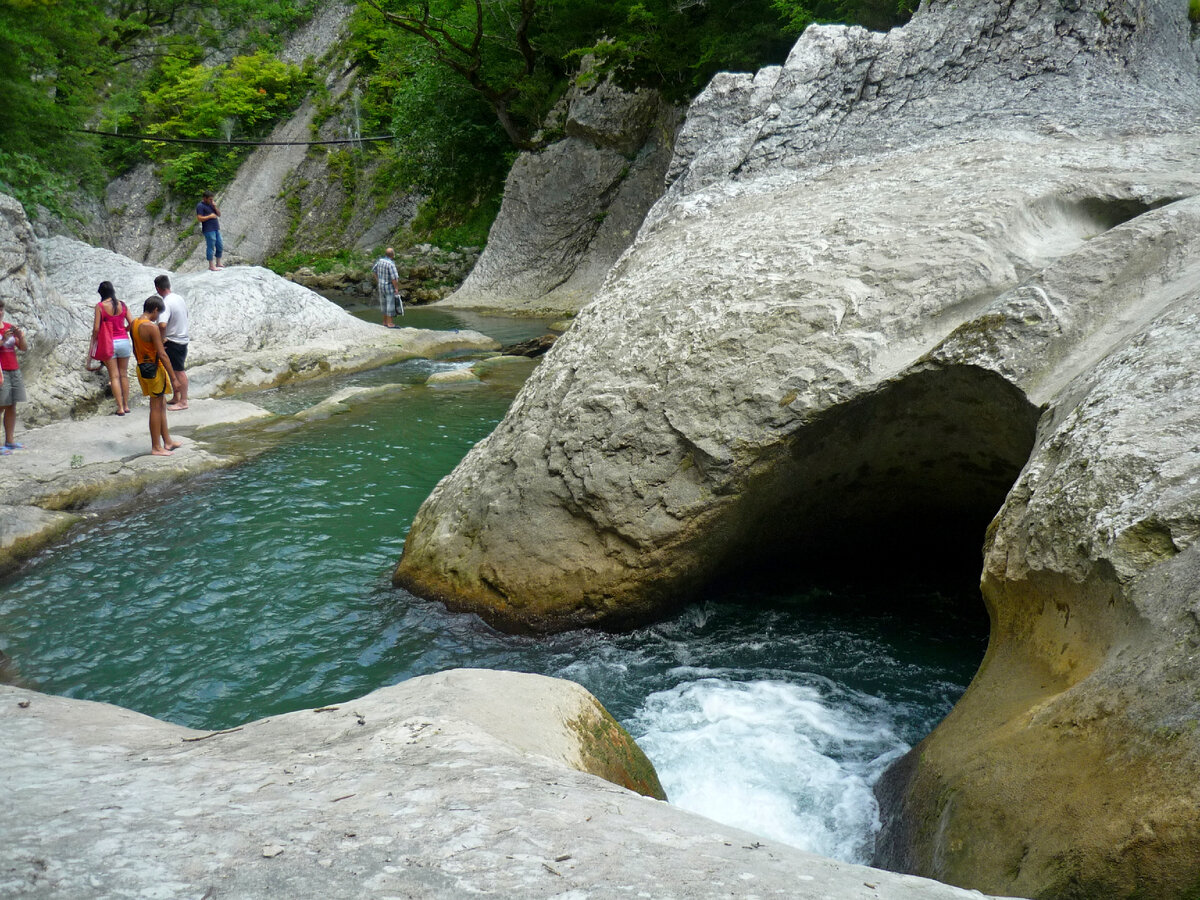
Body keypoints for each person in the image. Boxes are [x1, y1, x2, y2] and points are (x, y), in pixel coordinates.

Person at [131, 296, 182, 457]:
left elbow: (135, 348)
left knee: (161, 404)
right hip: (154, 369)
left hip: (142, 367)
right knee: (155, 407)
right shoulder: (150, 327)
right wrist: (174, 378)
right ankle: (156, 447)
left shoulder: (134, 324)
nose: (157, 317)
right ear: (154, 310)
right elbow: (162, 354)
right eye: (157, 314)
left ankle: (167, 441)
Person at [92, 281, 134, 416]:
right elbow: (133, 323)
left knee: (114, 376)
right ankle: (127, 405)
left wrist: (94, 339)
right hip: (124, 342)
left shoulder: (100, 307)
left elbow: (97, 328)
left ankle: (120, 407)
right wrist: (124, 330)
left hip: (109, 343)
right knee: (124, 374)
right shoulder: (122, 305)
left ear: (101, 293)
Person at [154, 274, 190, 410]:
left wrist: (161, 339)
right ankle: (177, 396)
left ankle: (184, 401)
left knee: (178, 371)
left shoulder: (165, 302)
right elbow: (185, 314)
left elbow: (162, 324)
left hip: (173, 340)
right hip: (182, 337)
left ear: (158, 288)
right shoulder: (178, 298)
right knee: (173, 371)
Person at [0, 300, 27, 455]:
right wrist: (3, 340)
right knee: (1, 406)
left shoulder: (8, 326)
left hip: (13, 369)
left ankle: (10, 440)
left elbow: (23, 347)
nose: (0, 312)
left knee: (12, 405)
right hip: (2, 371)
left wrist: (20, 336)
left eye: (1, 308)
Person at [371, 247, 403, 328]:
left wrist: (378, 280)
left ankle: (384, 322)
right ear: (392, 255)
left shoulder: (380, 261)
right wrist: (396, 288)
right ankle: (390, 323)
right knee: (390, 304)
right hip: (389, 286)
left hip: (381, 286)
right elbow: (394, 278)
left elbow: (374, 271)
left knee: (384, 304)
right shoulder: (391, 264)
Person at [196, 190, 223, 271]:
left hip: (216, 228)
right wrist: (210, 216)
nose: (211, 201)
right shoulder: (200, 206)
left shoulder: (211, 204)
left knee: (220, 244)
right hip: (208, 229)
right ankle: (211, 265)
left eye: (212, 199)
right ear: (204, 198)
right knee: (210, 246)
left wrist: (215, 207)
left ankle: (218, 262)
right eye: (210, 199)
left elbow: (219, 214)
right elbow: (199, 218)